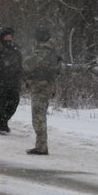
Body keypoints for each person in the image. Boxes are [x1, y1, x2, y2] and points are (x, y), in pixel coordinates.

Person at [23, 26, 61, 155]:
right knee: (40, 116)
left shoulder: (44, 51)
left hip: (41, 86)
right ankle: (41, 145)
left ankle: (41, 147)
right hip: (45, 85)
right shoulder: (52, 50)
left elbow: (30, 64)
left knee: (38, 117)